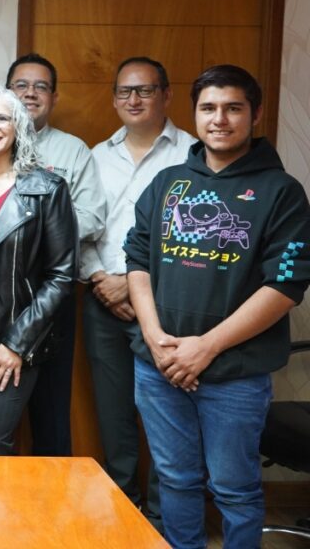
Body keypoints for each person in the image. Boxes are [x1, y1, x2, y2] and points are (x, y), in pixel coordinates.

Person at [125, 64, 310, 549]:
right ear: (195, 114)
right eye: (208, 108)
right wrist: (154, 339)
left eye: (233, 108)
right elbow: (137, 261)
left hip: (235, 373)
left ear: (256, 114)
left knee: (234, 489)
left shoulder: (281, 192)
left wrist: (205, 348)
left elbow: (286, 285)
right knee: (175, 479)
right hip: (160, 367)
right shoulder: (168, 183)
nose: (220, 119)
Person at [82, 56, 196, 525]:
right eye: (125, 91)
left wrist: (137, 289)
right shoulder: (95, 156)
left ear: (166, 95)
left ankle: (164, 517)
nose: (134, 99)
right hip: (101, 299)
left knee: (167, 415)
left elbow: (195, 239)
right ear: (114, 99)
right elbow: (79, 228)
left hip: (165, 304)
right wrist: (99, 279)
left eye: (145, 90)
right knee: (112, 413)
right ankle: (123, 510)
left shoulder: (192, 154)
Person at [0, 84, 76, 456]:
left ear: (17, 126)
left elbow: (61, 276)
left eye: (1, 118)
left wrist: (16, 344)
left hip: (10, 339)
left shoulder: (47, 189)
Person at [6, 53, 106, 456]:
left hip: (52, 287)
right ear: (6, 93)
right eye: (21, 85)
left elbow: (92, 218)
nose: (30, 93)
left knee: (50, 412)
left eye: (41, 86)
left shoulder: (73, 150)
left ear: (54, 96)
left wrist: (31, 235)